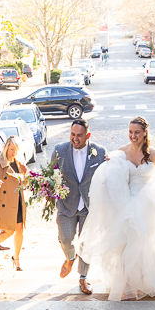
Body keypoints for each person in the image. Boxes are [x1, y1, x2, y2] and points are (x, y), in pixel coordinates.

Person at [78, 117, 155, 301]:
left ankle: (144, 283)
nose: (133, 135)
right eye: (130, 132)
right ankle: (125, 284)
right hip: (125, 203)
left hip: (146, 203)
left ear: (145, 132)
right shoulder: (121, 152)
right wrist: (110, 165)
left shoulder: (154, 154)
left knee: (145, 244)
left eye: (137, 132)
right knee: (124, 245)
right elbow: (111, 177)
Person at [50, 119, 106, 295]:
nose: (75, 138)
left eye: (79, 135)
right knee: (65, 239)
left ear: (87, 136)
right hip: (66, 205)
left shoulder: (100, 152)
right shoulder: (60, 150)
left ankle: (83, 277)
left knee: (86, 243)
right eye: (72, 134)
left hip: (89, 207)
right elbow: (51, 173)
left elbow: (105, 177)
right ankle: (70, 258)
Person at [0, 137, 29, 270]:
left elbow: (24, 183)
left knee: (19, 229)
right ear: (6, 147)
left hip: (18, 201)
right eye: (12, 149)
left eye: (16, 150)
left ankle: (16, 258)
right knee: (8, 231)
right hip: (5, 202)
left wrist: (26, 176)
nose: (13, 152)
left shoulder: (19, 164)